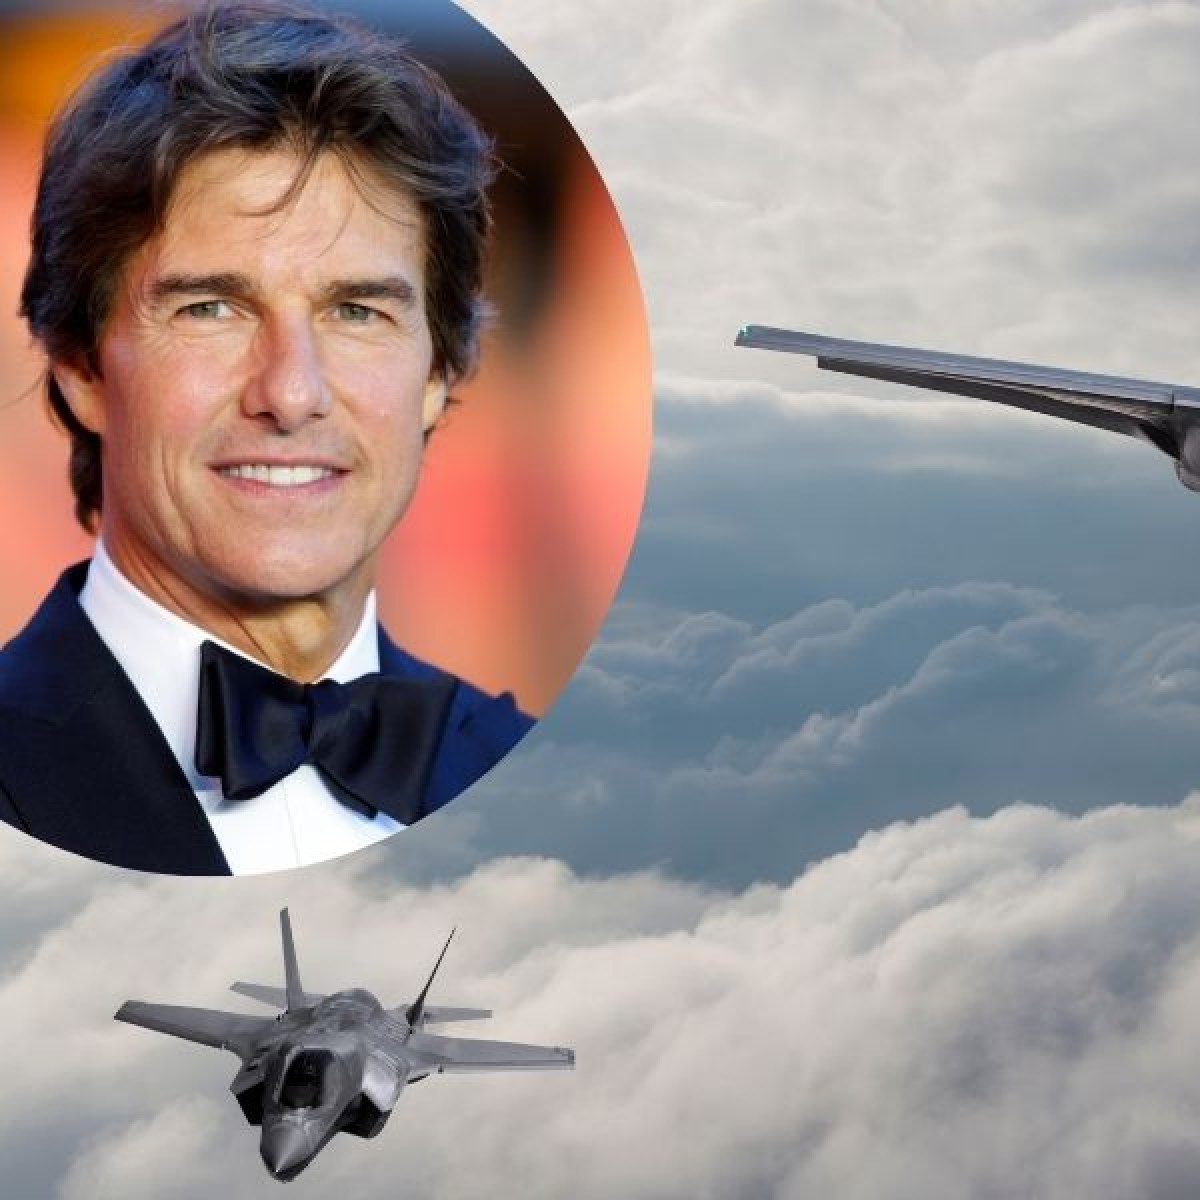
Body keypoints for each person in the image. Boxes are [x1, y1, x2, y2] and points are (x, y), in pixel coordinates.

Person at [0, 1, 533, 875]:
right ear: (82, 370)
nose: (291, 393)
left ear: (439, 374)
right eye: (212, 308)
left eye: (356, 311)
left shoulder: (544, 780)